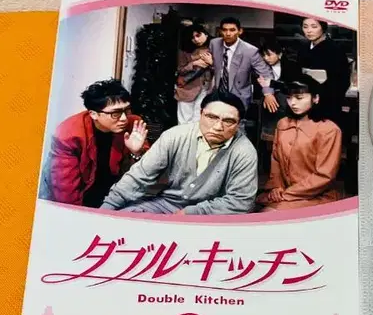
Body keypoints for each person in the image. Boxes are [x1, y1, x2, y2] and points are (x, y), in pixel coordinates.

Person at [100, 90, 257, 215]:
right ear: (201, 113)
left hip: (213, 214)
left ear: (238, 124)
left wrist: (192, 213)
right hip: (165, 205)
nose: (218, 127)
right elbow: (139, 177)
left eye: (228, 121)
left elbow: (241, 202)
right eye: (211, 117)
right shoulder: (175, 135)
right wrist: (105, 210)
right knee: (124, 219)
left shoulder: (244, 151)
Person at [42, 79, 148, 207]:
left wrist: (137, 153)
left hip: (114, 193)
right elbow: (67, 194)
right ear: (93, 114)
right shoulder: (68, 135)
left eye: (127, 110)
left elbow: (148, 175)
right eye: (115, 113)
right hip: (79, 194)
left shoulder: (134, 125)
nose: (124, 118)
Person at [257, 77, 343, 211]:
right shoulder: (283, 123)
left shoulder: (329, 130)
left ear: (315, 98)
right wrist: (276, 186)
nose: (293, 103)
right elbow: (276, 159)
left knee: (268, 214)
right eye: (289, 98)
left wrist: (287, 194)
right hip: (282, 192)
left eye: (299, 98)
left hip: (315, 195)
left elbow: (324, 175)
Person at [209, 16, 278, 113]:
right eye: (224, 30)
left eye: (232, 30)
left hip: (239, 95)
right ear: (220, 31)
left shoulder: (250, 51)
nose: (228, 33)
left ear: (240, 31)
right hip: (218, 94)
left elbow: (266, 73)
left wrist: (268, 93)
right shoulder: (214, 43)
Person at [297, 18, 351, 125]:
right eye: (305, 27)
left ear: (323, 28)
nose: (309, 31)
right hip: (305, 101)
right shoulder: (303, 48)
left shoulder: (335, 49)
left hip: (328, 102)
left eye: (314, 26)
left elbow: (343, 81)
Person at [175, 23, 213, 124]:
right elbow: (180, 70)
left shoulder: (214, 48)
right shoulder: (185, 51)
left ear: (206, 34)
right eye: (192, 38)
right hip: (187, 88)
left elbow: (222, 70)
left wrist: (211, 63)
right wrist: (194, 63)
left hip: (206, 89)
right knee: (184, 121)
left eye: (198, 35)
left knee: (198, 120)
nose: (196, 39)